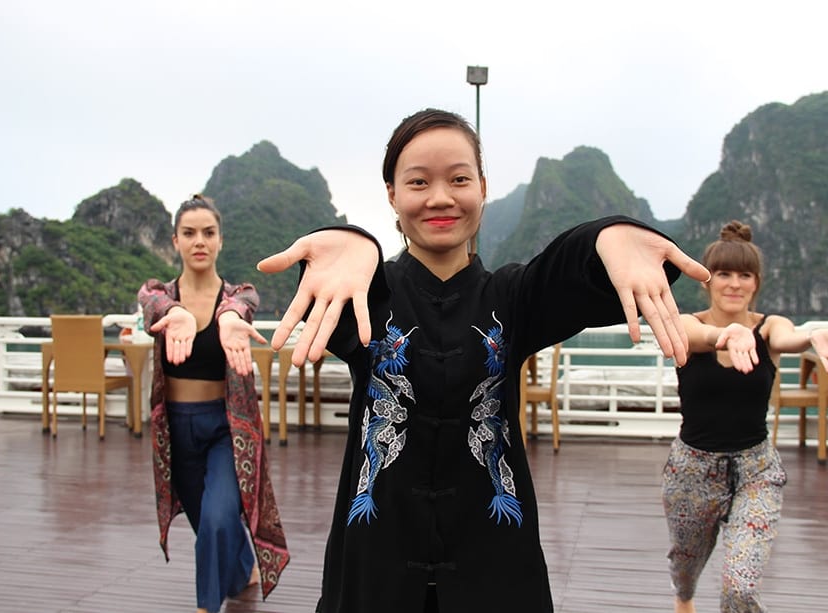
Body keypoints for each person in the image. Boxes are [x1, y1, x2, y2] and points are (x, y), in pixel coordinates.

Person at [256, 108, 710, 613]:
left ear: (483, 187)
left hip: (494, 563)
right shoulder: (368, 294)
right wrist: (354, 240)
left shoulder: (513, 297)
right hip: (376, 562)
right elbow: (327, 278)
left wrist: (608, 235)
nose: (440, 198)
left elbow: (569, 271)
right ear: (391, 195)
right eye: (418, 182)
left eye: (458, 179)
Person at [662, 220, 828, 613]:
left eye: (745, 275)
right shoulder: (687, 325)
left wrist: (813, 335)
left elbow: (789, 337)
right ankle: (683, 600)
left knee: (740, 587)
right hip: (691, 470)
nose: (734, 284)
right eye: (724, 274)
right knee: (685, 564)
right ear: (707, 280)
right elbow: (693, 338)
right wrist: (727, 335)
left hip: (757, 471)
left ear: (756, 282)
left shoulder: (771, 328)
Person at [138, 194, 290, 613]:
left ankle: (207, 606)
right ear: (175, 241)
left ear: (221, 240)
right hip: (177, 428)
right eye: (189, 233)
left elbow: (244, 302)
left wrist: (228, 317)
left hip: (225, 427)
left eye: (208, 232)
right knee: (204, 519)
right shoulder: (160, 297)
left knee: (219, 519)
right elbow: (149, 301)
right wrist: (177, 312)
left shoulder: (237, 297)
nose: (199, 241)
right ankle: (243, 569)